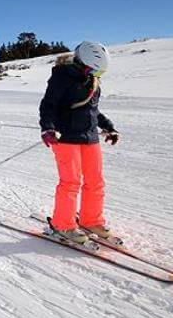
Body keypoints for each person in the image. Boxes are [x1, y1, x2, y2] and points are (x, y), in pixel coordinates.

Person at [39, 41, 120, 245]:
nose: (97, 75)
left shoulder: (92, 81)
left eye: (100, 73)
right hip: (65, 137)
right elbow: (48, 105)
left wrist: (108, 126)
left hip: (89, 137)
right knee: (70, 182)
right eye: (95, 70)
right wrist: (48, 128)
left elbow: (92, 110)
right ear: (83, 63)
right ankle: (62, 224)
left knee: (95, 181)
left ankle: (91, 220)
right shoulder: (62, 77)